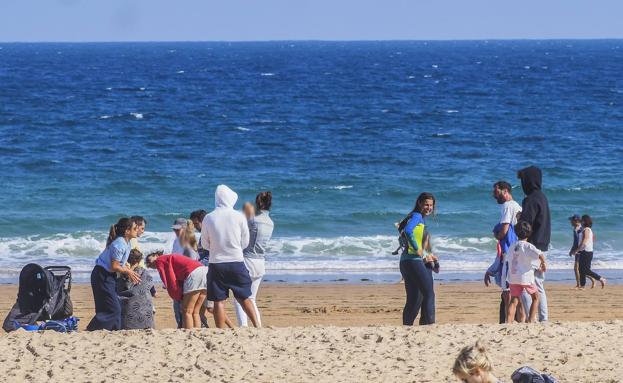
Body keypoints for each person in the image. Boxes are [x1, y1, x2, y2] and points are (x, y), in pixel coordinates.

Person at [201, 185, 260, 328]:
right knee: (244, 297)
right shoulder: (239, 216)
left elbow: (204, 244)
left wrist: (216, 249)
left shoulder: (209, 217)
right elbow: (245, 242)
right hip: (236, 262)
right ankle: (257, 326)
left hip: (216, 263)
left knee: (218, 301)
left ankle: (221, 330)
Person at [87, 218, 141, 331]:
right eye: (135, 228)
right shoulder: (119, 244)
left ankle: (115, 331)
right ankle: (91, 330)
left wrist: (128, 269)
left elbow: (119, 264)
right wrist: (128, 271)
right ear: (127, 231)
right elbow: (114, 266)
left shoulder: (127, 242)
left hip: (107, 276)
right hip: (102, 275)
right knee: (113, 309)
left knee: (112, 306)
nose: (138, 230)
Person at [485, 181, 527, 324]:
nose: (493, 195)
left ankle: (508, 323)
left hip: (509, 252)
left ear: (505, 191)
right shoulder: (516, 206)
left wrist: (496, 235)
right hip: (517, 251)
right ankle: (520, 321)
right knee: (517, 291)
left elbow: (504, 230)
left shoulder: (507, 206)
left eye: (496, 192)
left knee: (507, 292)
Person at [234, 192, 274, 327]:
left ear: (259, 204)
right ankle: (258, 326)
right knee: (252, 298)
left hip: (248, 261)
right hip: (260, 262)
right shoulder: (270, 222)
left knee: (240, 298)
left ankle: (244, 327)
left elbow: (240, 236)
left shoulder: (253, 220)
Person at [397, 192, 438, 326]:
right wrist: (418, 250)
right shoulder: (417, 216)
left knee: (415, 298)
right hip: (413, 261)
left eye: (431, 205)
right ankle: (428, 326)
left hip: (406, 262)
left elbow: (413, 237)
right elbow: (408, 231)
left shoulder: (413, 217)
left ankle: (407, 327)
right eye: (426, 204)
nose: (429, 207)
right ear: (419, 203)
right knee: (429, 294)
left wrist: (428, 254)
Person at [517, 166, 550, 322]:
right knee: (539, 285)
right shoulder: (542, 197)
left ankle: (533, 318)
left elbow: (525, 225)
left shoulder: (530, 199)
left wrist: (519, 218)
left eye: (523, 180)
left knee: (526, 285)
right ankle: (543, 319)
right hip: (543, 245)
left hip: (532, 247)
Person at [145, 251, 208, 329]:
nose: (149, 263)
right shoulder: (170, 258)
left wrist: (177, 295)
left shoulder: (160, 260)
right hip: (204, 270)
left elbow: (168, 279)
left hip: (193, 273)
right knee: (195, 312)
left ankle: (188, 334)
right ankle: (197, 333)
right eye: (147, 263)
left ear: (156, 255)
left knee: (186, 311)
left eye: (149, 260)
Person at [506, 221, 546, 323]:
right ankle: (531, 320)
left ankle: (508, 322)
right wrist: (543, 264)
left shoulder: (512, 246)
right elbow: (540, 255)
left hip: (513, 277)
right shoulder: (528, 246)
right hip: (525, 277)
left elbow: (508, 260)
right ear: (529, 233)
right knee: (536, 297)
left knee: (514, 300)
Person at [116, 249, 156, 329]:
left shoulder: (123, 274)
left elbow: (118, 288)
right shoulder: (145, 272)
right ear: (140, 260)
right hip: (146, 317)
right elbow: (152, 290)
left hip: (128, 318)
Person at [572, 215, 606, 289]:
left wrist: (577, 249)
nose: (581, 221)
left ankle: (601, 278)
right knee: (581, 269)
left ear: (584, 221)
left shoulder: (587, 229)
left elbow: (585, 240)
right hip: (583, 251)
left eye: (582, 220)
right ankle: (582, 285)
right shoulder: (584, 229)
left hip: (587, 252)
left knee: (586, 270)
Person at [568, 214, 594, 289]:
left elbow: (584, 240)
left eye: (571, 220)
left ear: (576, 220)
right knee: (579, 269)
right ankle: (590, 280)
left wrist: (577, 249)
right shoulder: (575, 229)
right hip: (577, 250)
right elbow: (575, 242)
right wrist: (572, 250)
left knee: (577, 268)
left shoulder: (581, 229)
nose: (570, 222)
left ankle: (579, 284)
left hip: (581, 250)